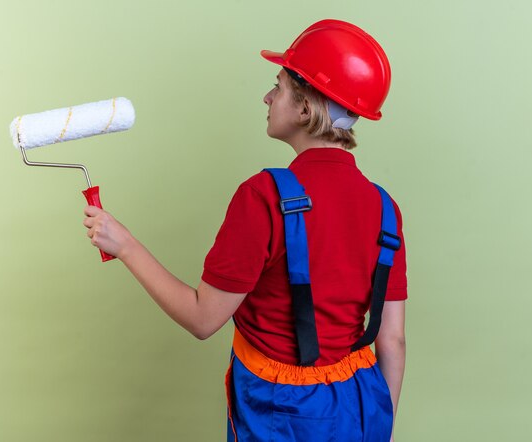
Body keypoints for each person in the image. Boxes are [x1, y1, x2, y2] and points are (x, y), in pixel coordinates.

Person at [83, 19, 406, 442]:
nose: (268, 97)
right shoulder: (385, 207)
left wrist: (123, 244)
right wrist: (378, 424)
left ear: (305, 108)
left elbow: (203, 319)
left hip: (279, 413)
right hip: (358, 403)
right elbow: (393, 341)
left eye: (279, 86)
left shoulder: (264, 196)